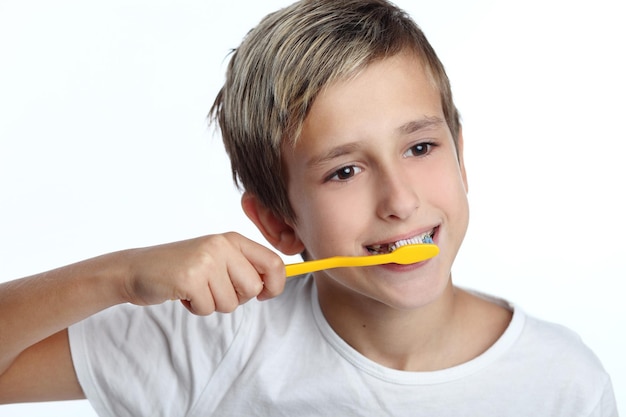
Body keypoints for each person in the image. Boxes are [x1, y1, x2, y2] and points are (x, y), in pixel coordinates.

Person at [0, 0, 617, 415]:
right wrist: (121, 276)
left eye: (421, 147)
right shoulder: (211, 343)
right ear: (277, 221)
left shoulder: (564, 383)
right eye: (344, 171)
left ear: (462, 158)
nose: (400, 201)